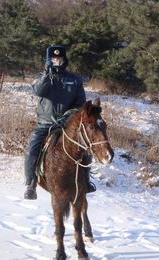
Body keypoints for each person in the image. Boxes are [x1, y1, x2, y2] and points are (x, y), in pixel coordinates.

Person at [24, 45, 96, 200]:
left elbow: (80, 104)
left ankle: (86, 181)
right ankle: (31, 184)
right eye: (53, 59)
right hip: (45, 123)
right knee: (32, 148)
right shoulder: (42, 77)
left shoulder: (74, 80)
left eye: (59, 58)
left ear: (64, 59)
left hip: (67, 124)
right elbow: (38, 91)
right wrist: (46, 73)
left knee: (86, 148)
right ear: (48, 60)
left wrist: (69, 115)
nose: (57, 61)